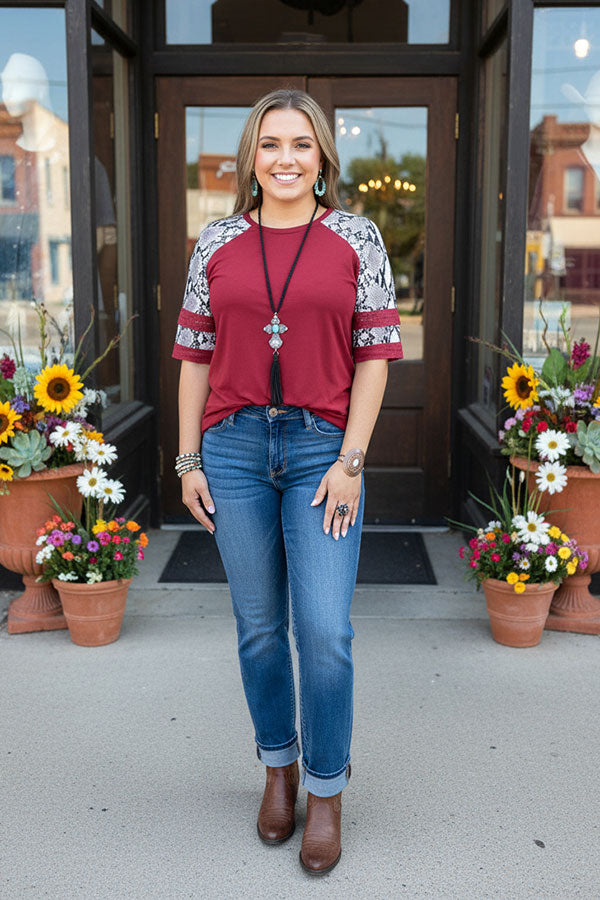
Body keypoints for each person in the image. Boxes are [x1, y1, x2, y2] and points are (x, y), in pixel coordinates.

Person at [172, 88, 403, 875]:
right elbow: (194, 359)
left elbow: (373, 360)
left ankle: (326, 790)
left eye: (301, 144)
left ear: (323, 158)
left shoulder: (356, 238)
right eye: (270, 144)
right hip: (232, 451)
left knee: (325, 632)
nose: (285, 158)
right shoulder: (216, 243)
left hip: (321, 453)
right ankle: (278, 770)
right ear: (251, 157)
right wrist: (186, 459)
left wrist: (351, 463)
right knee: (259, 625)